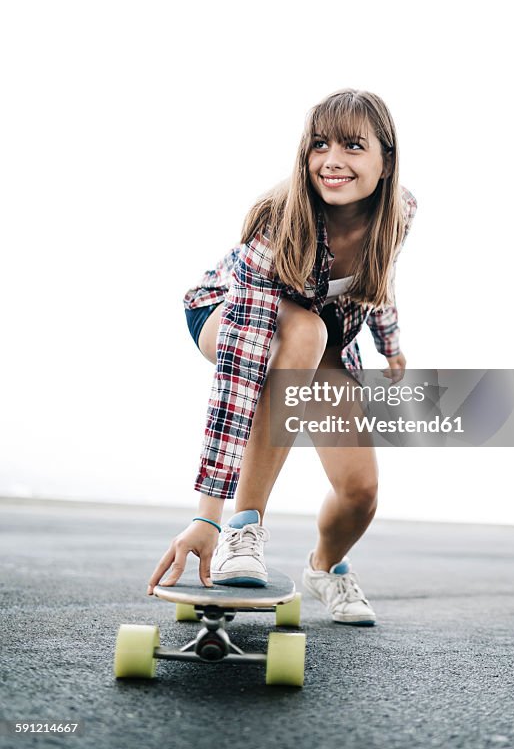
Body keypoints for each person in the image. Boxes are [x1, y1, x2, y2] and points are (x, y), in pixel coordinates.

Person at [147, 88, 417, 625]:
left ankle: (327, 567)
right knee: (306, 332)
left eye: (353, 147)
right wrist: (210, 517)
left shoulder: (400, 212)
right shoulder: (279, 221)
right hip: (229, 316)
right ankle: (244, 532)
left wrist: (390, 344)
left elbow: (379, 279)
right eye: (319, 145)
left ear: (386, 162)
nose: (332, 160)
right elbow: (240, 374)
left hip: (327, 338)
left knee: (360, 491)